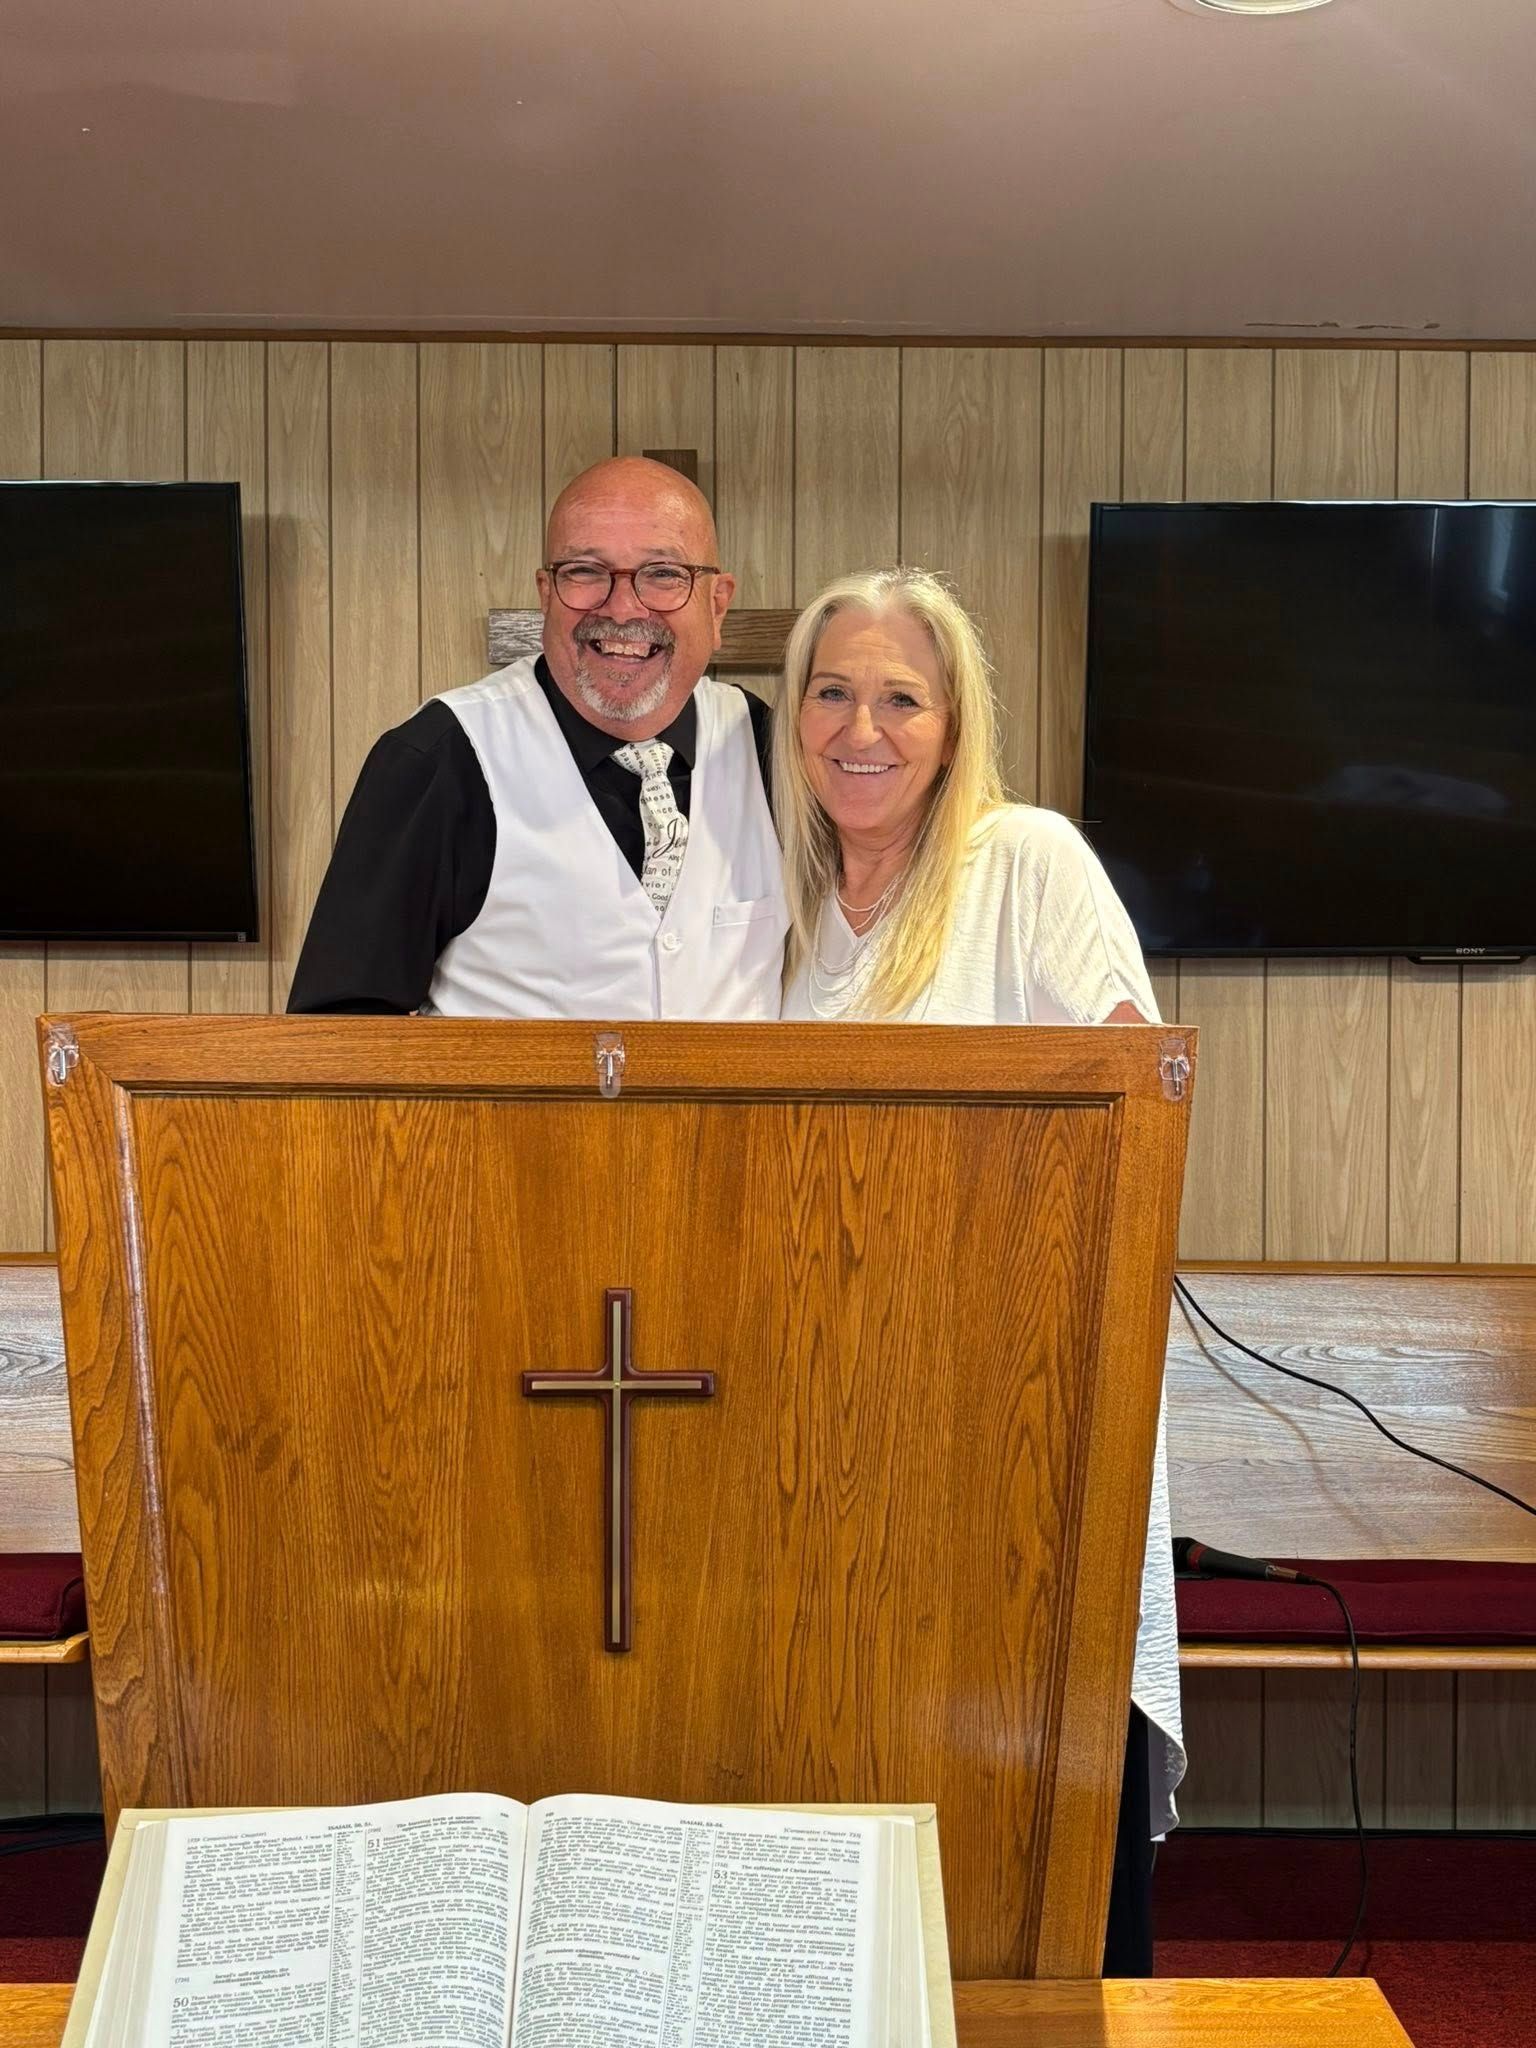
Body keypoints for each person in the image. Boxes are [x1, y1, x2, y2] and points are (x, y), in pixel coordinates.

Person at [775, 566, 1184, 1974]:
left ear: (955, 727)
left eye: (901, 697)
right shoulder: (777, 906)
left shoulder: (1026, 862)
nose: (861, 727)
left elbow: (1137, 1088)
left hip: (1012, 1417)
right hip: (823, 1428)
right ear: (794, 714)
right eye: (832, 691)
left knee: (1025, 1846)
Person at [287, 456, 786, 1019]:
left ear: (717, 605)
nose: (623, 608)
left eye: (664, 574)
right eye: (585, 571)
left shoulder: (774, 750)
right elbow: (340, 1034)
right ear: (547, 594)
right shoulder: (440, 759)